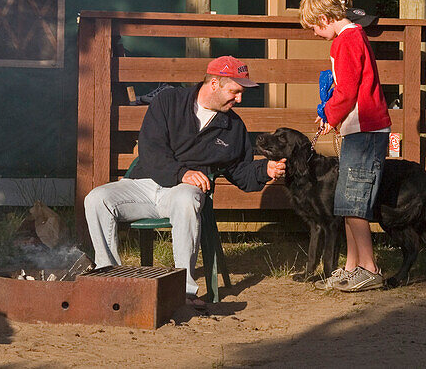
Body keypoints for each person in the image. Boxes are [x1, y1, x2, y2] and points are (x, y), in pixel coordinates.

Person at [83, 55, 286, 308]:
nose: (240, 99)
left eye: (242, 92)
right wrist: (181, 172)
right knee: (96, 198)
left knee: (187, 197)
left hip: (183, 193)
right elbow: (151, 150)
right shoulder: (169, 102)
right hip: (145, 183)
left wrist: (264, 170)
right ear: (214, 84)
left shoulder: (233, 127)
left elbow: (239, 171)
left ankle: (184, 291)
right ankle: (109, 279)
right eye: (235, 91)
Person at [299, 0, 391, 292]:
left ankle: (370, 267)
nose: (314, 32)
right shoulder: (353, 37)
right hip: (359, 129)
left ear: (324, 19)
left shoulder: (346, 41)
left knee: (354, 202)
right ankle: (352, 266)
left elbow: (347, 89)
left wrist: (329, 113)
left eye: (314, 26)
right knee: (345, 201)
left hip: (365, 130)